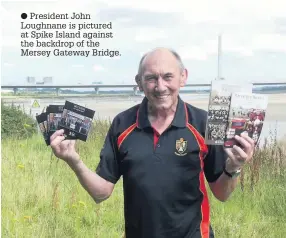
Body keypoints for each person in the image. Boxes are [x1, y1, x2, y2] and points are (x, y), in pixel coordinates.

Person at [50, 48, 255, 238]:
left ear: (183, 77)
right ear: (139, 82)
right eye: (151, 78)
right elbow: (101, 194)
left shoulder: (204, 123)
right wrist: (74, 161)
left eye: (168, 77)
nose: (160, 86)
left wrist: (234, 167)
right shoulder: (122, 124)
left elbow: (222, 194)